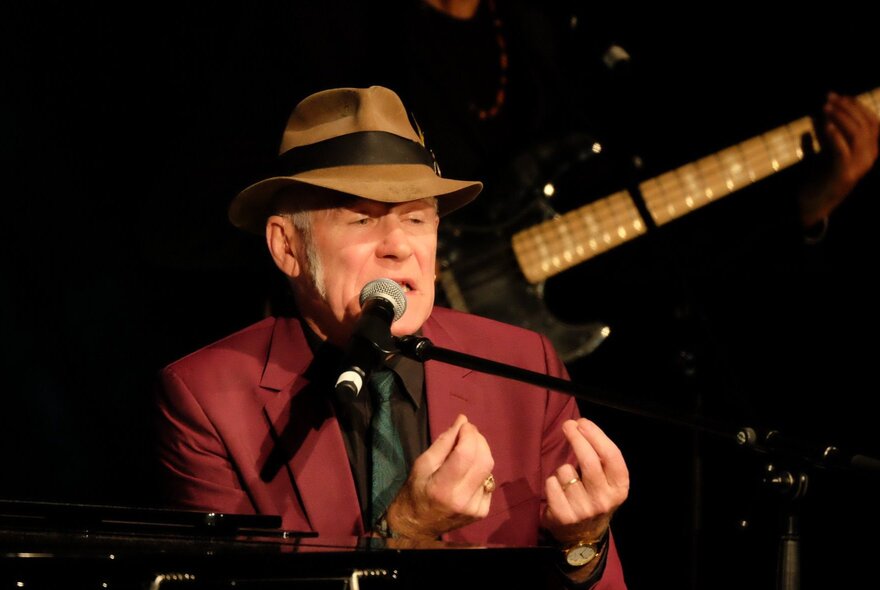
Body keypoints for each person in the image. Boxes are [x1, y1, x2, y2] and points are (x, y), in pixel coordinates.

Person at [155, 85, 629, 588]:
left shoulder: (523, 363)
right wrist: (406, 534)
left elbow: (597, 578)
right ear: (287, 247)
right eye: (362, 219)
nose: (400, 247)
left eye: (418, 218)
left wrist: (583, 542)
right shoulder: (208, 397)